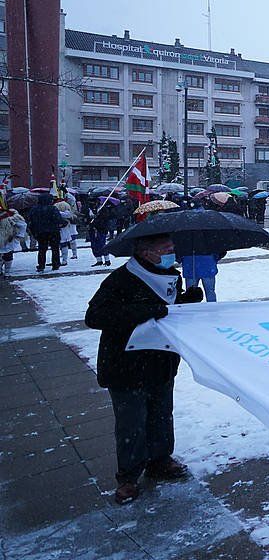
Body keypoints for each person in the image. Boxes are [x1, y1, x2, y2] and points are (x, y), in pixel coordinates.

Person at [84, 233, 203, 504]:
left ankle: (160, 460)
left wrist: (187, 299)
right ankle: (128, 476)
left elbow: (167, 310)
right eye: (167, 248)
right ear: (147, 252)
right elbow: (94, 317)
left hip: (161, 360)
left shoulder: (171, 275)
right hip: (126, 364)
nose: (173, 252)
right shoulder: (121, 279)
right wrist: (142, 311)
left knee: (161, 414)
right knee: (131, 423)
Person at [26, 192, 64, 272]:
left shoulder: (34, 209)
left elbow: (30, 221)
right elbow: (58, 219)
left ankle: (41, 265)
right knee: (55, 249)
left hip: (40, 232)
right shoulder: (53, 208)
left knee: (42, 249)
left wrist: (34, 231)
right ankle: (56, 264)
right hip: (53, 232)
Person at [0, 207, 26, 277]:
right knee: (6, 255)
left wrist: (18, 235)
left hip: (9, 238)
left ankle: (7, 271)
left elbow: (22, 225)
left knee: (8, 255)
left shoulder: (12, 216)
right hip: (6, 239)